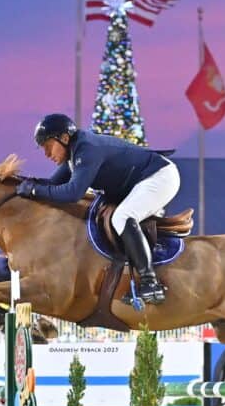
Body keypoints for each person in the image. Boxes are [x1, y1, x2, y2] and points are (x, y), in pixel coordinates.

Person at [18, 113, 180, 305]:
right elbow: (53, 184)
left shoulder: (86, 149)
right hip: (143, 180)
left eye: (48, 146)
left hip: (160, 177)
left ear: (64, 138)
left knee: (122, 217)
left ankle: (150, 282)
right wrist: (21, 183)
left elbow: (72, 193)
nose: (46, 154)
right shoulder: (74, 152)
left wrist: (34, 189)